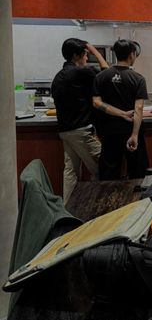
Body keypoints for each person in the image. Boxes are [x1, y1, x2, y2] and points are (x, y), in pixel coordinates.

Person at [51, 38, 108, 202]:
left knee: (71, 172)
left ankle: (68, 208)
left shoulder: (58, 76)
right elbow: (107, 74)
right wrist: (95, 51)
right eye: (85, 54)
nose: (87, 58)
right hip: (81, 131)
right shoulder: (82, 72)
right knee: (103, 168)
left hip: (65, 131)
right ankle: (98, 206)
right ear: (77, 56)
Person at [93, 39, 149, 180]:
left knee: (109, 172)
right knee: (137, 172)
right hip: (131, 129)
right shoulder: (138, 78)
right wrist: (134, 135)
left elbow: (96, 103)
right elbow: (139, 108)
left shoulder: (101, 76)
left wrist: (120, 113)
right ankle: (136, 195)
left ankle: (109, 195)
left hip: (109, 130)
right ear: (132, 55)